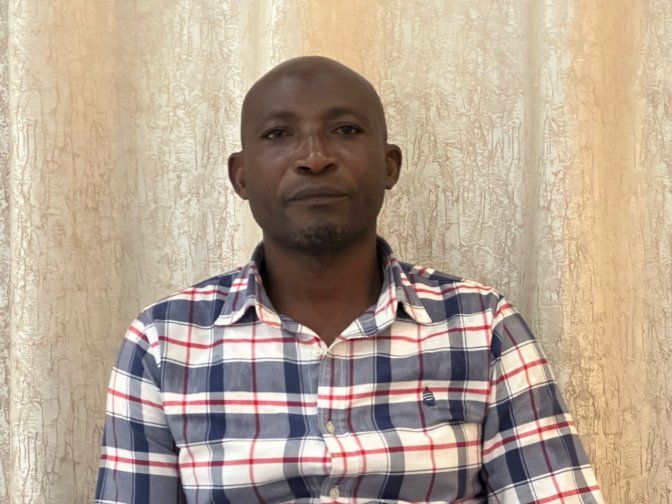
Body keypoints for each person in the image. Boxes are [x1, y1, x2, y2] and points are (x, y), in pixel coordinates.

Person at [95, 56, 604, 503]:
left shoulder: (481, 328)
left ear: (389, 165)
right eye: (279, 134)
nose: (315, 157)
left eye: (345, 130)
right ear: (241, 176)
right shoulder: (165, 341)